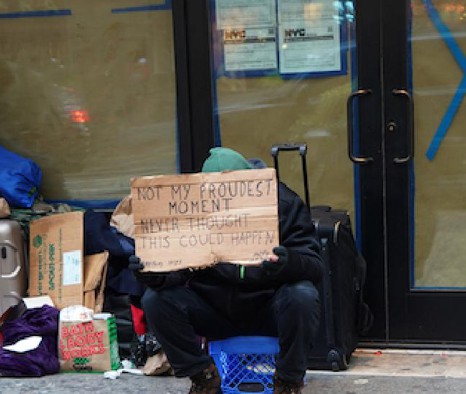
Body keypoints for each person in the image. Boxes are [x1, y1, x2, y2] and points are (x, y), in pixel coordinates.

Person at [130, 147, 323, 394]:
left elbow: (315, 265)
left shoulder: (283, 203)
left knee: (303, 295)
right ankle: (203, 377)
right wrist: (151, 273)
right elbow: (177, 272)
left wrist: (289, 263)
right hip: (214, 312)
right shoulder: (190, 207)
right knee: (155, 299)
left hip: (269, 309)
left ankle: (288, 382)